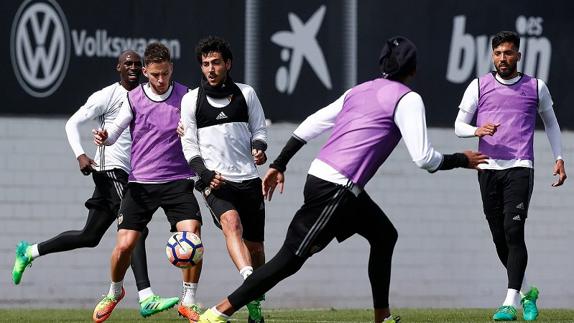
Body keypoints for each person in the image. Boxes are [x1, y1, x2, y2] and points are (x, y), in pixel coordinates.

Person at [196, 36, 488, 323]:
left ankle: (382, 317)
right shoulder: (409, 99)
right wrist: (462, 159)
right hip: (337, 189)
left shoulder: (359, 90)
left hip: (330, 181)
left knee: (385, 235)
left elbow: (311, 124)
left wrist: (280, 163)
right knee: (289, 260)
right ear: (413, 69)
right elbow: (425, 159)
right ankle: (219, 312)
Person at [10, 50, 179, 318]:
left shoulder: (147, 95)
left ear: (145, 69)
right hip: (112, 171)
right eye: (128, 64)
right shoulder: (107, 96)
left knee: (89, 236)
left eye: (137, 64)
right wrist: (80, 154)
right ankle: (145, 296)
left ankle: (29, 252)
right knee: (137, 231)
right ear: (118, 68)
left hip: (126, 174)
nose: (133, 68)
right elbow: (72, 123)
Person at [454, 30, 566, 321]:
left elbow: (551, 124)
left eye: (508, 53)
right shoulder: (478, 86)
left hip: (520, 167)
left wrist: (559, 158)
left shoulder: (536, 87)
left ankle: (508, 303)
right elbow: (458, 126)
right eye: (498, 53)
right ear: (492, 56)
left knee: (514, 231)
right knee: (500, 237)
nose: (503, 58)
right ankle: (528, 293)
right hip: (487, 168)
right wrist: (476, 130)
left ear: (518, 55)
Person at [91, 43, 203, 323]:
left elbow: (200, 131)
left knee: (192, 237)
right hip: (141, 183)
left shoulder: (187, 96)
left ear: (171, 69)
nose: (161, 80)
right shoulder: (134, 98)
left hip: (178, 180)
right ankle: (115, 291)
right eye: (155, 75)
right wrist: (106, 136)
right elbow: (116, 131)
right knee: (125, 245)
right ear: (145, 72)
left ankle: (188, 300)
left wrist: (189, 132)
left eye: (165, 73)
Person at [180, 36, 268, 323]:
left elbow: (260, 131)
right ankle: (249, 282)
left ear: (228, 64)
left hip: (249, 180)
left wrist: (259, 148)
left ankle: (256, 298)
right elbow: (189, 146)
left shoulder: (247, 94)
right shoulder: (191, 99)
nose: (210, 69)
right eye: (205, 64)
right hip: (216, 181)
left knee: (256, 248)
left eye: (216, 62)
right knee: (232, 225)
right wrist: (204, 175)